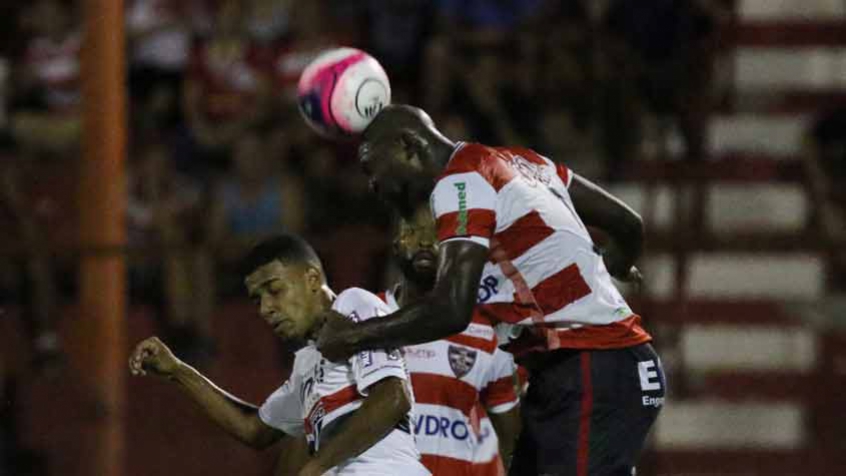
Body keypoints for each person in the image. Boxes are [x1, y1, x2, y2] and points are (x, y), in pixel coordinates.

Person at [317, 105, 665, 475]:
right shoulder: (523, 161)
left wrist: (354, 337)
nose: (372, 184)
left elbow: (451, 309)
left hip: (592, 365)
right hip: (579, 371)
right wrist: (613, 262)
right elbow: (628, 224)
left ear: (408, 146)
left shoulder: (459, 181)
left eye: (372, 166)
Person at [129, 234, 430, 476]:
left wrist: (317, 466)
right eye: (257, 299)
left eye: (274, 289)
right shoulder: (306, 365)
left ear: (312, 279)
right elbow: (254, 430)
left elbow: (394, 397)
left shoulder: (354, 303)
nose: (265, 308)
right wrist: (178, 371)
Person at [384, 204, 521, 475]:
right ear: (395, 245)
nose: (424, 241)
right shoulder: (364, 317)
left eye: (437, 232)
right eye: (412, 232)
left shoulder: (484, 335)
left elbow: (509, 436)